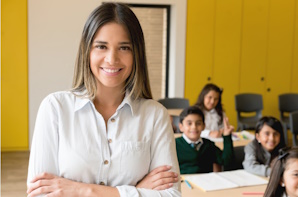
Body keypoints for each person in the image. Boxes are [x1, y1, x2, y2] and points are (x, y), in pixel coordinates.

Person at [26, 3, 180, 197]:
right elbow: (39, 194)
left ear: (136, 54)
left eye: (124, 48)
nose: (111, 59)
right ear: (87, 51)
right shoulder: (54, 109)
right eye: (101, 46)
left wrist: (81, 190)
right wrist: (139, 190)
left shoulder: (155, 115)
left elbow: (171, 195)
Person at [175, 106, 235, 174]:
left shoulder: (209, 145)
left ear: (203, 126)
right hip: (183, 182)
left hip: (205, 182)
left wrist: (227, 136)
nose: (194, 127)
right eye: (189, 123)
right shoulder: (174, 145)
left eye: (198, 123)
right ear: (181, 127)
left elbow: (226, 162)